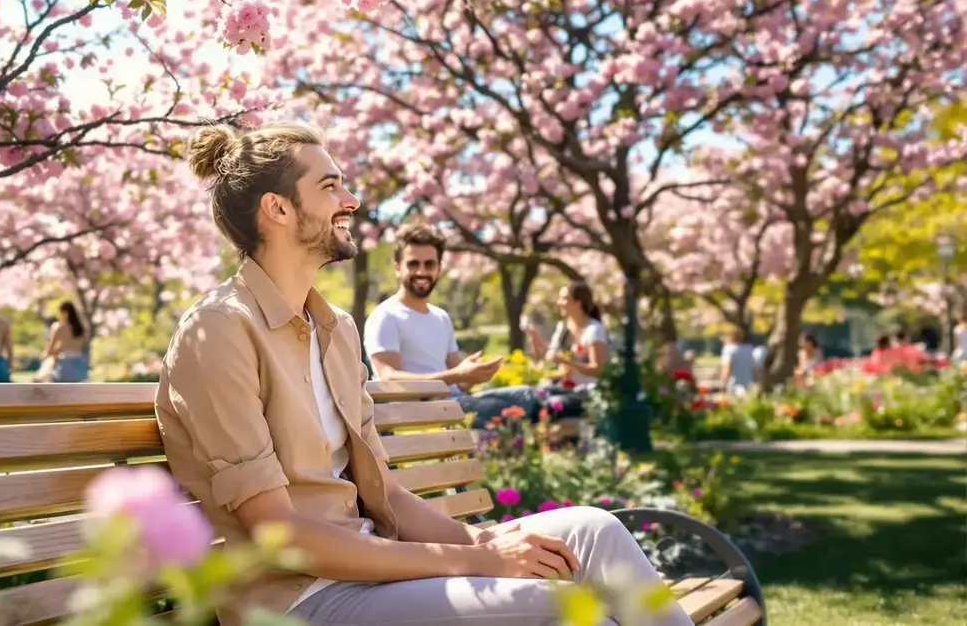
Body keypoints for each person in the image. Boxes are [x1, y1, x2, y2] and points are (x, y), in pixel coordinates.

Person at [154, 121, 690, 626]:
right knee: (552, 602)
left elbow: (387, 495)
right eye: (330, 186)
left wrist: (480, 545)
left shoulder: (336, 330)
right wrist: (483, 562)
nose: (352, 201)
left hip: (376, 570)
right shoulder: (218, 332)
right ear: (278, 208)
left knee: (595, 530)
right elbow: (281, 534)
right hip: (300, 597)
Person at [363, 223, 573, 429]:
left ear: (439, 269)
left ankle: (578, 402)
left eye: (429, 264)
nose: (421, 271)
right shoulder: (385, 316)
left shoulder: (441, 317)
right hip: (421, 414)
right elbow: (389, 377)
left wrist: (471, 375)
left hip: (454, 404)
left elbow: (459, 383)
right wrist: (458, 375)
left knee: (530, 395)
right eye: (413, 264)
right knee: (531, 401)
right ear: (398, 269)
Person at [42, 301, 90, 382]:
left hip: (64, 367)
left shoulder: (58, 327)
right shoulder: (82, 328)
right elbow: (83, 347)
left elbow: (50, 351)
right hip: (80, 367)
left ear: (64, 312)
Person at [717, 326, 757, 394]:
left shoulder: (728, 350)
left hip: (734, 386)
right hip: (749, 384)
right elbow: (754, 368)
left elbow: (727, 369)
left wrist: (723, 384)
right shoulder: (749, 349)